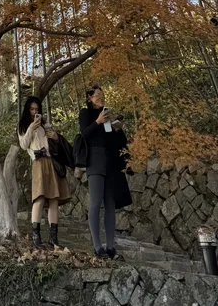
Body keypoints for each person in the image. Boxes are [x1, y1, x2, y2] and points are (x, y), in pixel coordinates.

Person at [79, 85, 132, 259]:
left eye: (102, 95)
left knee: (110, 204)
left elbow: (114, 141)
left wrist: (117, 129)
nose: (100, 98)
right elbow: (84, 134)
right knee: (95, 202)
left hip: (110, 163)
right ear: (89, 99)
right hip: (94, 160)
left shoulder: (107, 116)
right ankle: (97, 247)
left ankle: (111, 246)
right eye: (97, 95)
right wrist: (98, 122)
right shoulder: (85, 114)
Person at [18, 95, 71, 250]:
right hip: (38, 162)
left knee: (54, 199)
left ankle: (54, 240)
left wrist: (53, 135)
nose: (34, 112)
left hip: (52, 162)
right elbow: (23, 145)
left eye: (37, 109)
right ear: (27, 110)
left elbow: (54, 144)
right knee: (39, 198)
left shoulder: (45, 125)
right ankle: (36, 238)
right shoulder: (23, 126)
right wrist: (30, 129)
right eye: (32, 109)